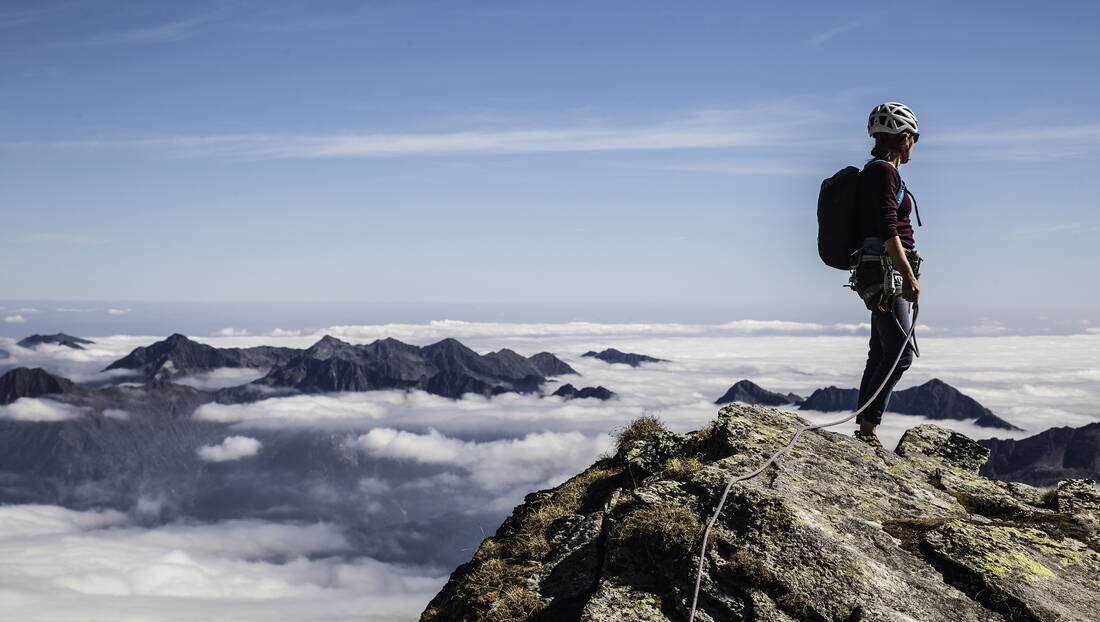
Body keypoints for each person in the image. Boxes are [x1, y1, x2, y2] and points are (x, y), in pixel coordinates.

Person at [850, 102, 922, 448]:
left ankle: (865, 428)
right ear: (904, 138)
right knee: (900, 353)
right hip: (884, 270)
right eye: (914, 138)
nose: (915, 145)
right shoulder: (883, 173)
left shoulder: (877, 171)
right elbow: (888, 227)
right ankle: (868, 429)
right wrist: (909, 276)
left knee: (880, 350)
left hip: (877, 268)